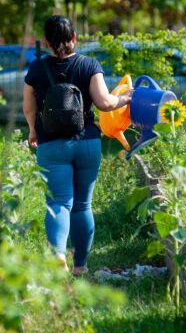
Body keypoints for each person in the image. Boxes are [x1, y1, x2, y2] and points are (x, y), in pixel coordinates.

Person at [23, 15, 133, 276]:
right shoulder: (89, 65)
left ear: (48, 42)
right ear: (74, 37)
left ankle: (59, 254)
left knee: (59, 202)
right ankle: (81, 266)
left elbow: (29, 107)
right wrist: (127, 97)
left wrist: (31, 130)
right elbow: (105, 103)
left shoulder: (36, 69)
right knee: (83, 205)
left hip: (51, 145)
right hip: (86, 142)